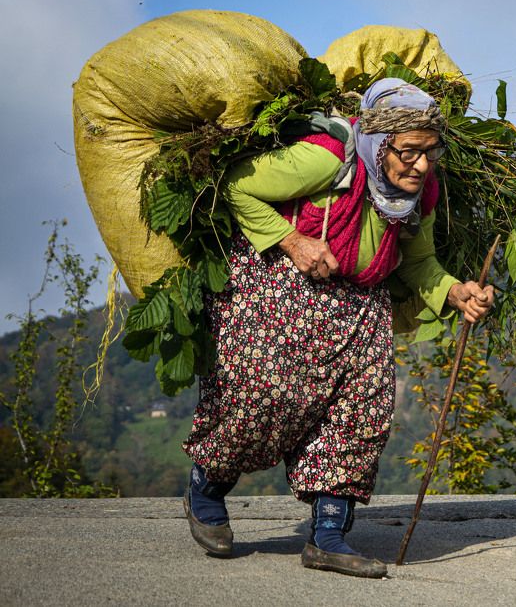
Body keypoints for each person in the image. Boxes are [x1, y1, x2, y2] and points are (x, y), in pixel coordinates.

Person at [180, 78, 495, 578]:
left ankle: (328, 535)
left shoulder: (422, 191)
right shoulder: (327, 160)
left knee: (363, 406)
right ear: (380, 143)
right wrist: (293, 241)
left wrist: (455, 293)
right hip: (281, 284)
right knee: (265, 394)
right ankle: (208, 484)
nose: (420, 165)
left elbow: (420, 263)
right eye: (409, 153)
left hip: (361, 303)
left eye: (430, 153)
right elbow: (238, 185)